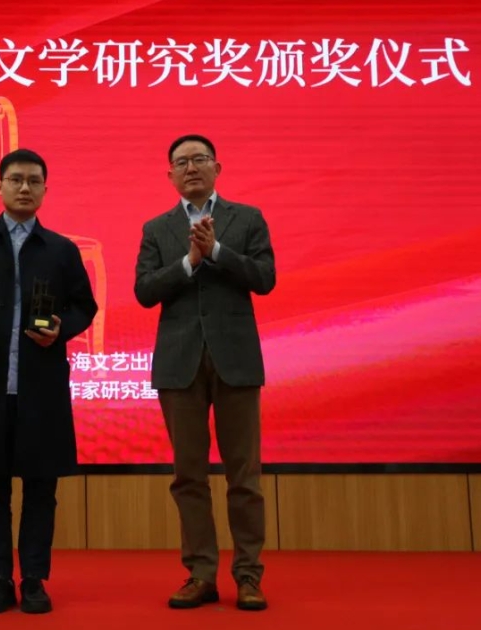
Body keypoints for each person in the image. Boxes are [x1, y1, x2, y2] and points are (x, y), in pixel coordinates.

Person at [0, 148, 97, 614]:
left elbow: (84, 306)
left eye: (33, 180)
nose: (24, 187)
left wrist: (61, 331)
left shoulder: (61, 249)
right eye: (15, 179)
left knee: (40, 488)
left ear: (45, 189)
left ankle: (33, 579)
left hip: (40, 386)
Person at [134, 134, 276, 611]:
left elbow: (265, 278)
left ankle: (249, 575)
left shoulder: (247, 218)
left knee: (244, 476)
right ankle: (200, 574)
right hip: (180, 365)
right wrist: (189, 262)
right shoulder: (157, 228)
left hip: (236, 360)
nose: (190, 167)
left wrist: (217, 252)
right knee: (188, 476)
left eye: (199, 159)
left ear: (217, 167)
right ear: (170, 175)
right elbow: (144, 290)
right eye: (181, 162)